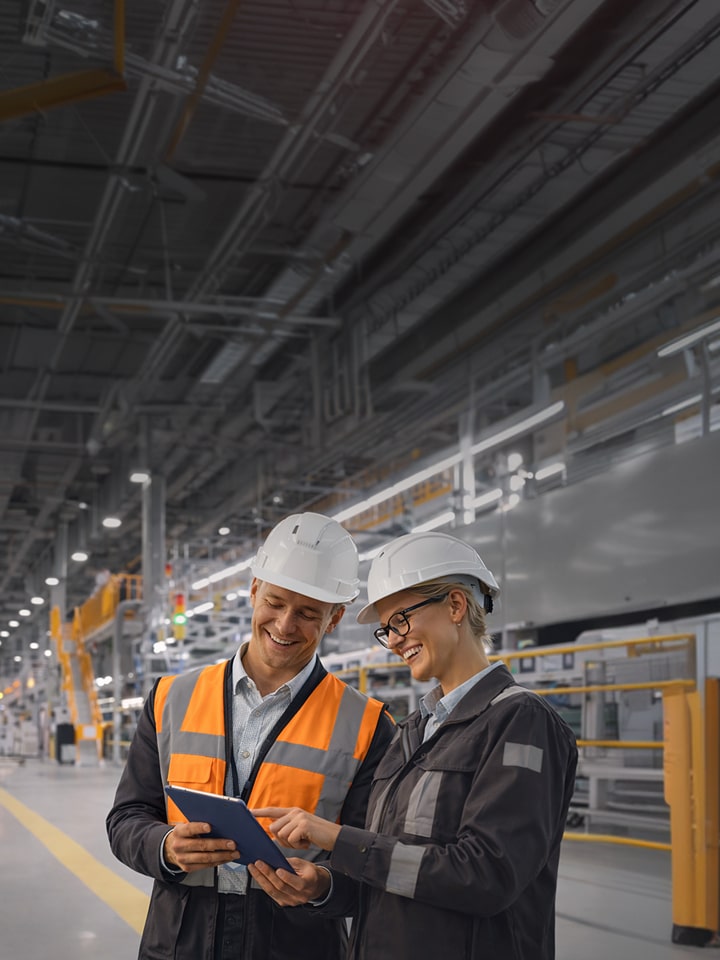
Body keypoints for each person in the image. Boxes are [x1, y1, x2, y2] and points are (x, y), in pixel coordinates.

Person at [249, 530, 579, 959]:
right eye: (386, 630)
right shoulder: (411, 732)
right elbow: (389, 875)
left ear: (456, 605)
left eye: (401, 620)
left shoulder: (520, 721)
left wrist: (337, 837)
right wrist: (323, 885)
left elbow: (488, 876)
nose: (395, 640)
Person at [106, 512, 396, 960]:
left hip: (296, 943)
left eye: (306, 614)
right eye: (275, 603)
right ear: (254, 589)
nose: (284, 625)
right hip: (179, 941)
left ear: (334, 619)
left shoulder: (369, 725)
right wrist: (164, 847)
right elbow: (127, 818)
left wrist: (325, 886)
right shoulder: (170, 698)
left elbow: (374, 860)